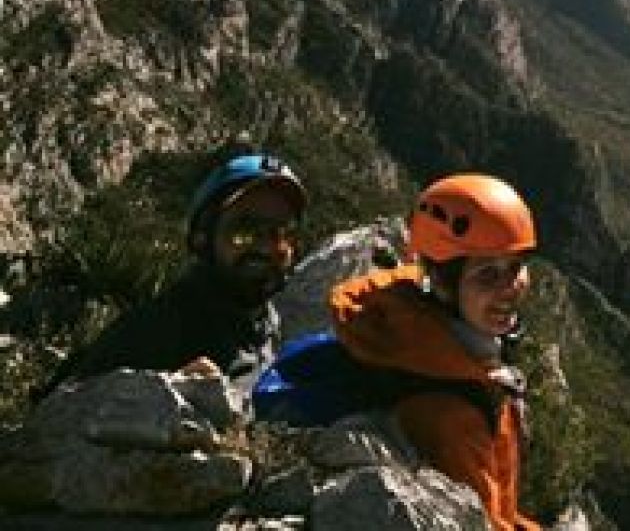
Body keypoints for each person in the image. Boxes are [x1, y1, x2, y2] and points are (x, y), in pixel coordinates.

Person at [330, 173, 540, 531]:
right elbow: (483, 524)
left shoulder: (426, 338)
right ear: (442, 284)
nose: (510, 289)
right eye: (488, 275)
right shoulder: (450, 417)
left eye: (515, 268)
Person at [44, 150, 305, 395]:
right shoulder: (153, 333)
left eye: (283, 232)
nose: (265, 246)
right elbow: (56, 420)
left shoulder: (268, 327)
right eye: (245, 231)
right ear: (203, 237)